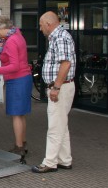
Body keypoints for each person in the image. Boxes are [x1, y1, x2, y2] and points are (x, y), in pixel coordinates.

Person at [32, 11, 77, 173]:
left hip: (61, 87)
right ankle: (65, 160)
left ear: (49, 24)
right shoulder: (58, 37)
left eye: (41, 25)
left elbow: (66, 64)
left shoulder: (60, 38)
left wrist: (56, 87)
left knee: (55, 127)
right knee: (61, 125)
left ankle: (49, 162)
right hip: (61, 86)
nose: (40, 28)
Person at [0, 16, 32, 158]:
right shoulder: (16, 34)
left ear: (2, 27)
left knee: (16, 115)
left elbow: (14, 66)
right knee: (21, 114)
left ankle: (19, 147)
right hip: (23, 78)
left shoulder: (11, 41)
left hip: (17, 80)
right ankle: (23, 143)